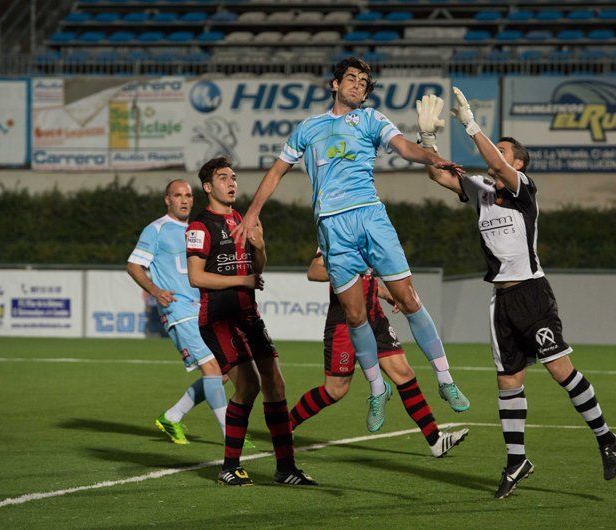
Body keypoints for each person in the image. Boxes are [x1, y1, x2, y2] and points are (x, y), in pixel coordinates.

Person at [232, 56, 470, 434]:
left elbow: (404, 148)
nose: (359, 85)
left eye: (364, 81)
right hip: (332, 226)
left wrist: (434, 156)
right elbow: (277, 171)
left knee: (408, 299)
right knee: (356, 315)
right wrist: (251, 213)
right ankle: (378, 389)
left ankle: (445, 380)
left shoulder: (372, 119)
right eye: (353, 79)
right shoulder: (308, 128)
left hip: (370, 217)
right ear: (335, 84)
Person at [416, 90, 616, 499]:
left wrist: (471, 124)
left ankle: (605, 436)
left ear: (518, 163)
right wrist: (426, 142)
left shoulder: (524, 189)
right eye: (499, 149)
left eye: (506, 150)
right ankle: (516, 461)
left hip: (532, 294)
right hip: (501, 301)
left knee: (561, 372)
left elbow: (493, 160)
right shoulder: (481, 191)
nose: (498, 155)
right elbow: (438, 174)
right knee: (508, 381)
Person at [186, 156, 316, 487]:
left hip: (248, 316)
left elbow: (257, 266)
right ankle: (229, 465)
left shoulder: (243, 219)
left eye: (233, 177)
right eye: (223, 178)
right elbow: (196, 277)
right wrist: (241, 282)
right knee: (248, 385)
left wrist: (260, 248)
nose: (232, 183)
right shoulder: (199, 226)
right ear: (207, 187)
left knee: (276, 384)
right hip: (218, 318)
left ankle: (285, 468)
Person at [289, 250, 469, 457]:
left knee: (403, 373)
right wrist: (346, 275)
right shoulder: (334, 230)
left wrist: (387, 294)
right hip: (345, 323)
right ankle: (286, 426)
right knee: (335, 390)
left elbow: (368, 280)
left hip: (375, 319)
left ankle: (435, 439)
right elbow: (314, 272)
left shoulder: (369, 234)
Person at [127, 179, 238, 446]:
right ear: (168, 199)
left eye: (188, 195)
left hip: (203, 310)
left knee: (222, 373)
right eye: (178, 195)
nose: (185, 200)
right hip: (179, 310)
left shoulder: (197, 228)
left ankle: (172, 417)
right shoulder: (156, 229)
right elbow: (133, 265)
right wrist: (155, 291)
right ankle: (231, 436)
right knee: (212, 370)